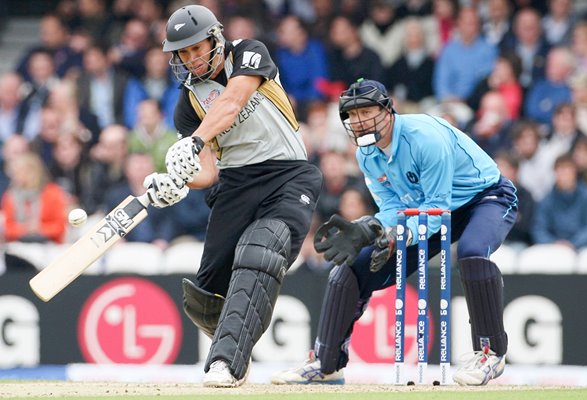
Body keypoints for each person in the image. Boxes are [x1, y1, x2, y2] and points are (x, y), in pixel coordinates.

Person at [271, 79, 517, 386]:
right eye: (352, 115)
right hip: (427, 212)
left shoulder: (425, 138)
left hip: (484, 197)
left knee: (472, 251)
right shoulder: (366, 154)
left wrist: (398, 235)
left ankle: (491, 353)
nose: (359, 121)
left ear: (389, 110)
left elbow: (437, 208)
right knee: (351, 267)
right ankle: (326, 363)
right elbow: (391, 206)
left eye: (366, 111)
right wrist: (371, 229)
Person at [143, 5, 323, 388]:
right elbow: (207, 173)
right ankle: (235, 341)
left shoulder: (248, 53)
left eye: (198, 47)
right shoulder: (187, 104)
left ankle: (226, 362)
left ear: (216, 38)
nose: (193, 58)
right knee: (204, 297)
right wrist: (174, 181)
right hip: (235, 185)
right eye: (184, 53)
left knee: (260, 250)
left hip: (287, 174)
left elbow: (232, 102)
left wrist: (193, 142)